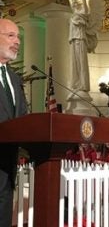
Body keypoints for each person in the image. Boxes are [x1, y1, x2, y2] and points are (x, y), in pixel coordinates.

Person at [0, 18, 28, 227]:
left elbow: (21, 115)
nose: (17, 41)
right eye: (10, 35)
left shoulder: (14, 78)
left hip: (7, 158)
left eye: (18, 36)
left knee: (4, 205)